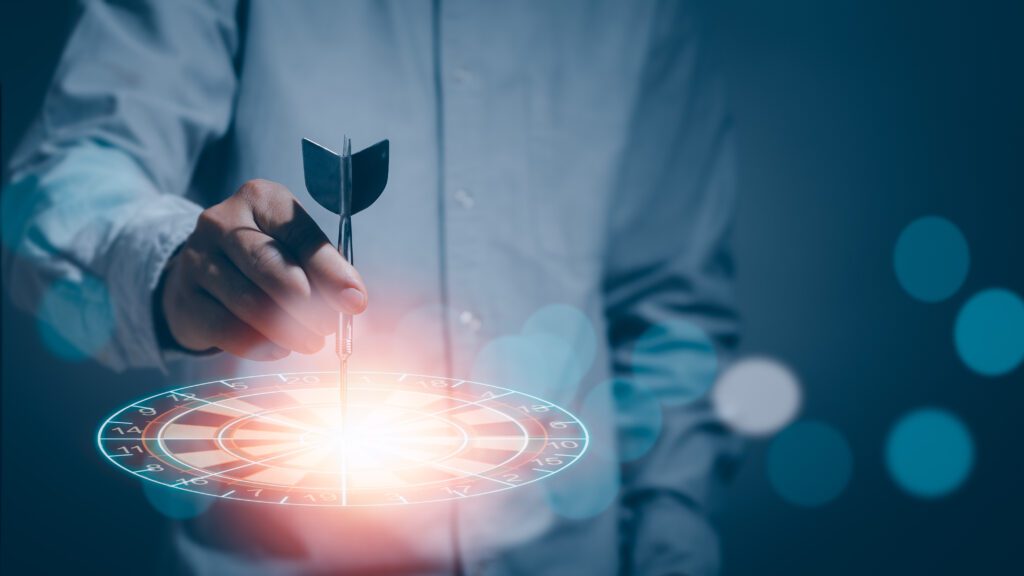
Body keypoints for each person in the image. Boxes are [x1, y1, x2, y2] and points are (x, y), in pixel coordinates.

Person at [2, 1, 739, 574]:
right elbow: (65, 180)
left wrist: (674, 520)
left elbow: (670, 300)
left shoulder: (641, 14)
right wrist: (174, 269)